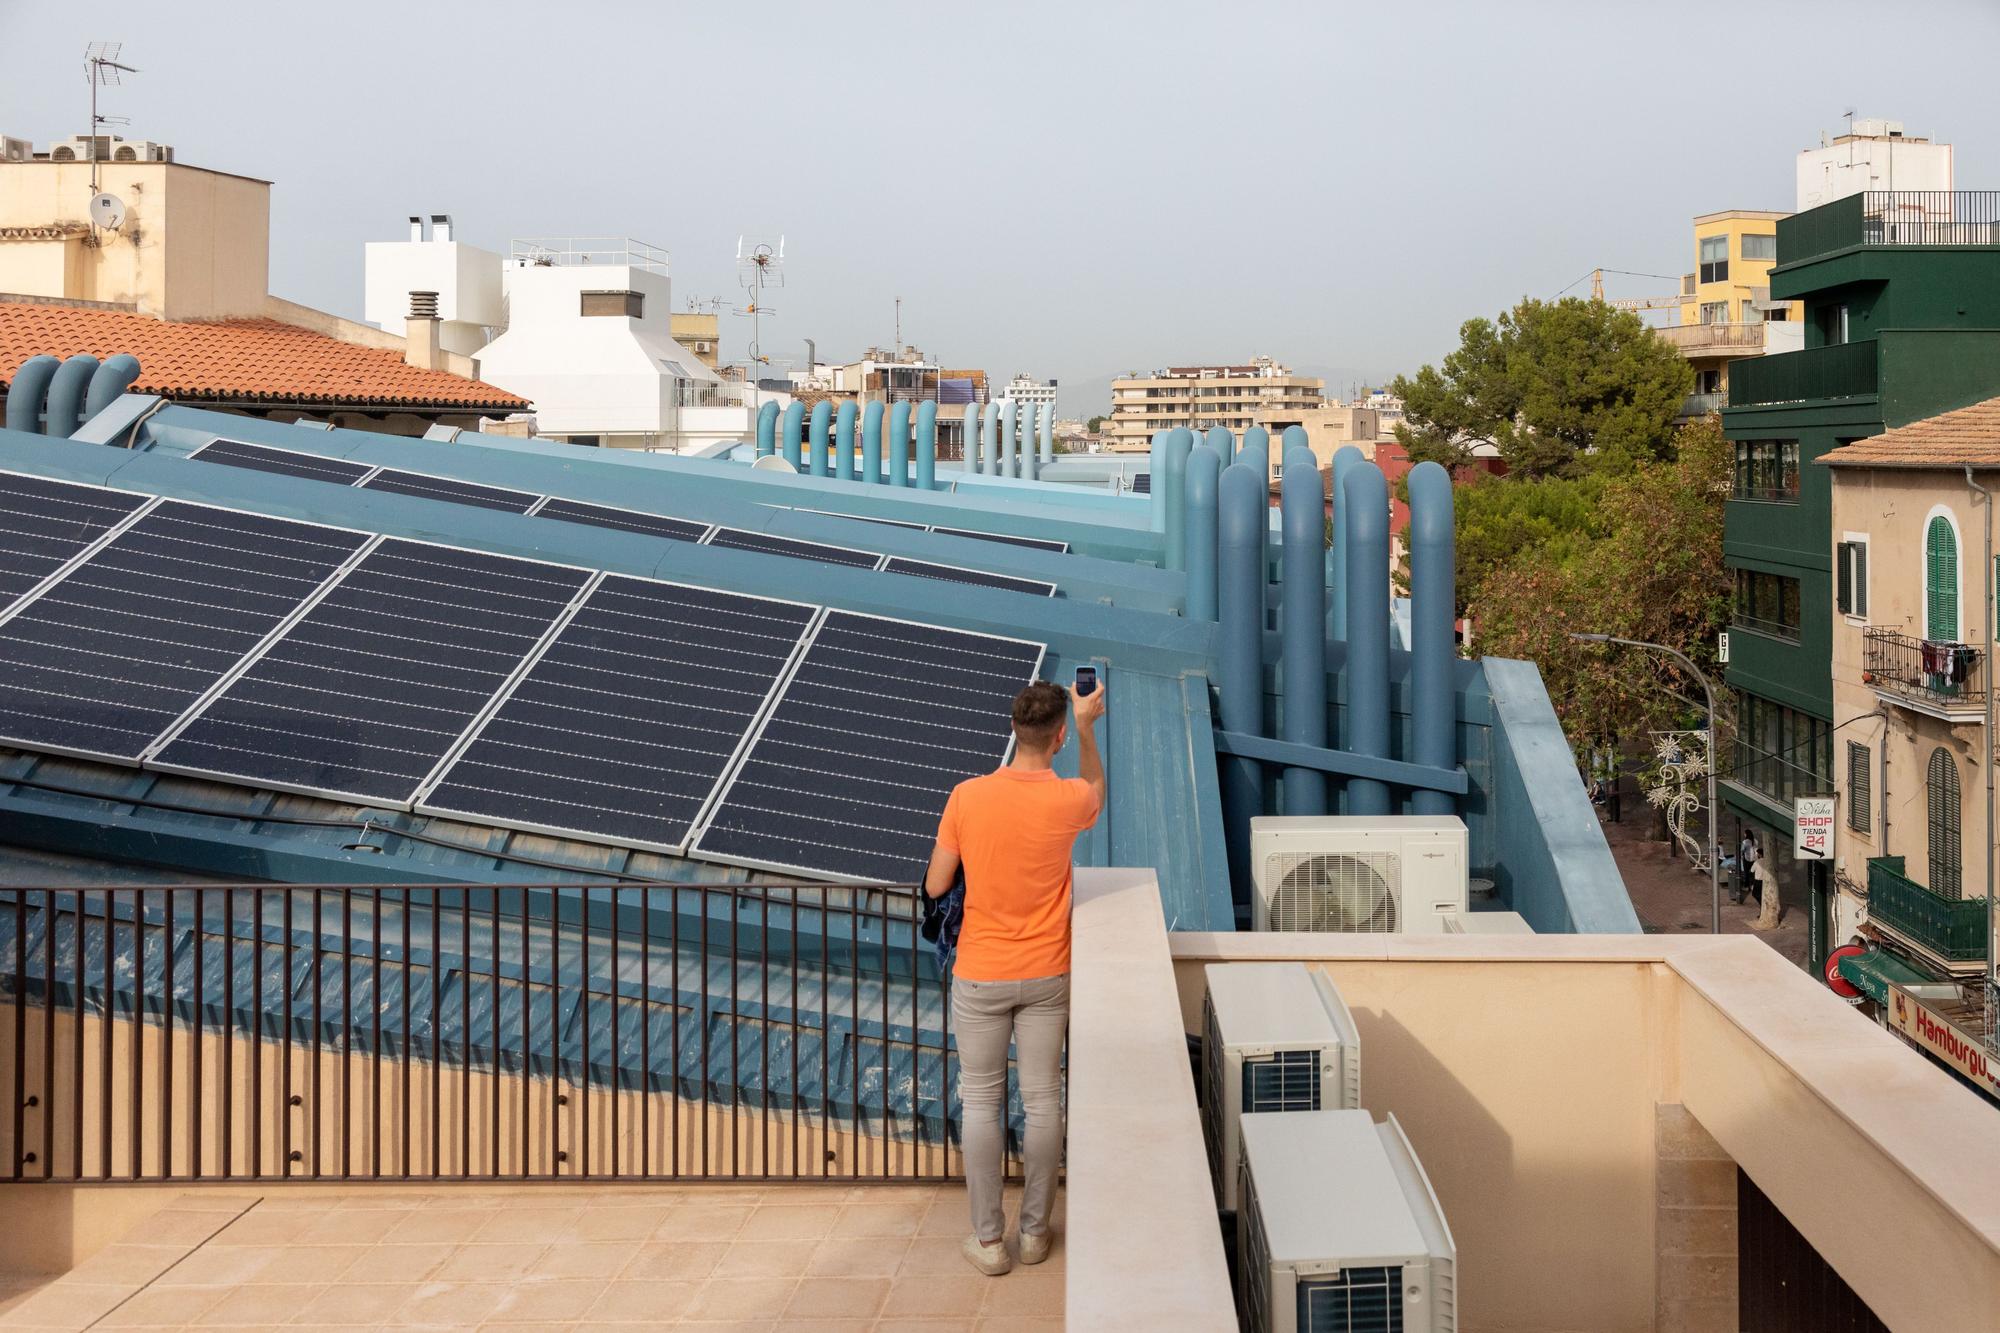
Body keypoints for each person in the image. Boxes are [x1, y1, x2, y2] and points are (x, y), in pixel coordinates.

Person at [923, 679, 1106, 1277]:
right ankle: (1034, 1235)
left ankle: (988, 1241)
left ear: (1012, 730)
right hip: (1048, 971)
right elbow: (1095, 789)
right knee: (1044, 1101)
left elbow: (934, 885)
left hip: (981, 972)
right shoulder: (1069, 801)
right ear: (1055, 737)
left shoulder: (967, 797)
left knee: (981, 1103)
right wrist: (1086, 727)